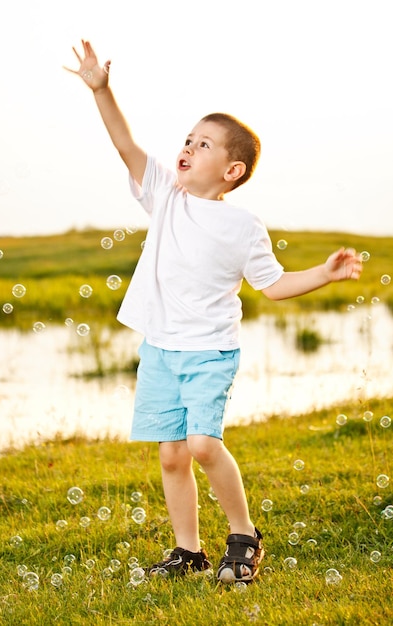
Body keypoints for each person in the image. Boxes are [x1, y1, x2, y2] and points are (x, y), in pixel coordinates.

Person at [66, 40, 363, 584]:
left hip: (209, 351)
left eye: (202, 144)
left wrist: (324, 273)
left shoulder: (243, 225)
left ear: (230, 170)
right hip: (160, 348)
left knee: (203, 444)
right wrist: (102, 90)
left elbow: (272, 285)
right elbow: (125, 144)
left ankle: (244, 537)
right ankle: (188, 552)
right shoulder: (164, 194)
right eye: (186, 139)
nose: (186, 148)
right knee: (173, 456)